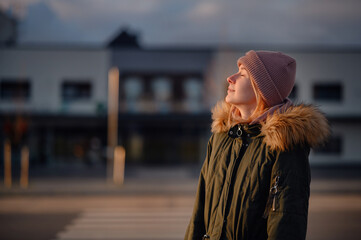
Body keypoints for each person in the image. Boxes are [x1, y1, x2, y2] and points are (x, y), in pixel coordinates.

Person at [184, 50, 330, 240]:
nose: (230, 78)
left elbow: (286, 222)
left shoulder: (285, 145)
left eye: (243, 74)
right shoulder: (221, 137)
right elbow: (199, 212)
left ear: (262, 89)